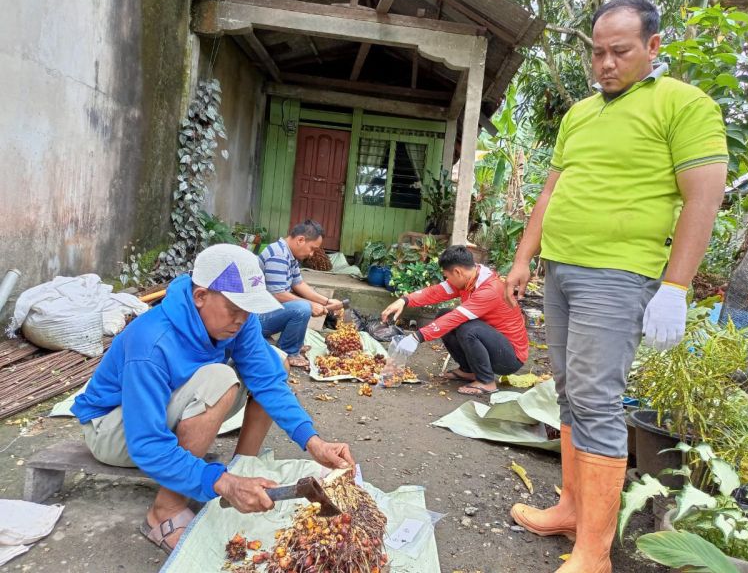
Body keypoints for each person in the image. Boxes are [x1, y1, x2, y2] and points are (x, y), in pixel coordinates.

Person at [504, 0, 728, 572]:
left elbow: (703, 197)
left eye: (620, 51)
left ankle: (594, 554)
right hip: (561, 269)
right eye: (598, 53)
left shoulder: (683, 104)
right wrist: (524, 258)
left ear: (653, 47)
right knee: (570, 390)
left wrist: (675, 288)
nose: (606, 63)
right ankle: (573, 509)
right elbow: (551, 192)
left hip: (618, 274)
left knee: (598, 398)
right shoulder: (579, 114)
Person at [71, 244, 355, 554]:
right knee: (218, 380)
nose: (242, 319)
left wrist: (314, 442)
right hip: (114, 429)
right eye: (234, 310)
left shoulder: (237, 323)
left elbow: (268, 382)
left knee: (274, 362)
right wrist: (220, 483)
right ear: (200, 296)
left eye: (248, 311)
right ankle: (164, 510)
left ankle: (242, 468)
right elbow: (147, 443)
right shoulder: (151, 342)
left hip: (162, 411)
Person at [381, 245, 528, 395]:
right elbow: (435, 292)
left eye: (447, 276)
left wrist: (416, 337)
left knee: (468, 329)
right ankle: (468, 370)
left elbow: (456, 317)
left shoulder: (489, 289)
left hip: (510, 357)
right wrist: (405, 300)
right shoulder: (469, 278)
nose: (447, 280)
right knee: (444, 314)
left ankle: (486, 381)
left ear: (457, 271)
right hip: (492, 342)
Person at [258, 220, 343, 369]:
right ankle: (289, 352)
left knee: (302, 305)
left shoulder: (289, 255)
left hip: (267, 312)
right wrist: (311, 305)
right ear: (300, 240)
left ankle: (294, 345)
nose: (311, 254)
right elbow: (277, 294)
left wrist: (326, 301)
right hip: (257, 319)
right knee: (302, 308)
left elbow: (298, 284)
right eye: (312, 248)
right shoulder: (278, 254)